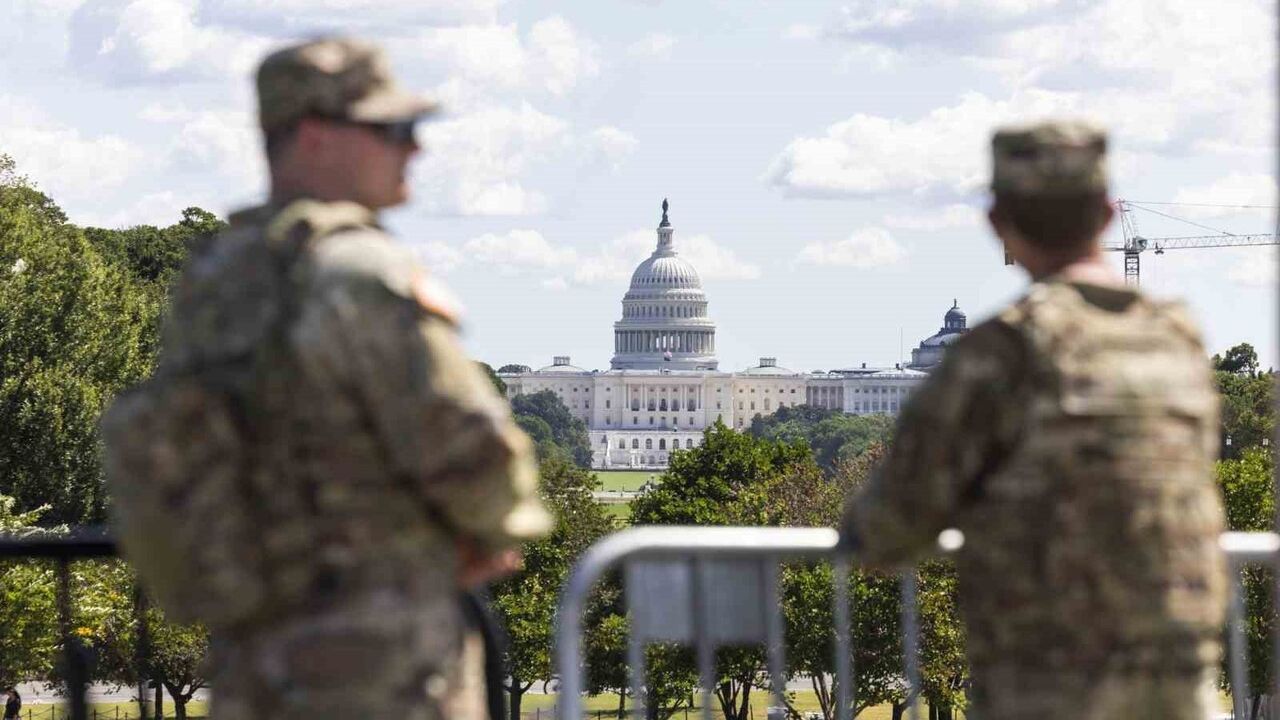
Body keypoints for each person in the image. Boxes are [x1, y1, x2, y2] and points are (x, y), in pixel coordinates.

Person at [106, 37, 551, 720]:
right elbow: (477, 452)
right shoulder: (357, 273)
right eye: (392, 130)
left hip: (254, 653)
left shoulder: (221, 278)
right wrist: (492, 532)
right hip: (379, 658)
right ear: (316, 136)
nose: (414, 150)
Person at [839, 120, 1226, 720]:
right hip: (1180, 672)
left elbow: (891, 524)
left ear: (999, 224)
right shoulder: (1179, 338)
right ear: (1106, 214)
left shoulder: (1005, 351)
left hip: (1049, 676)